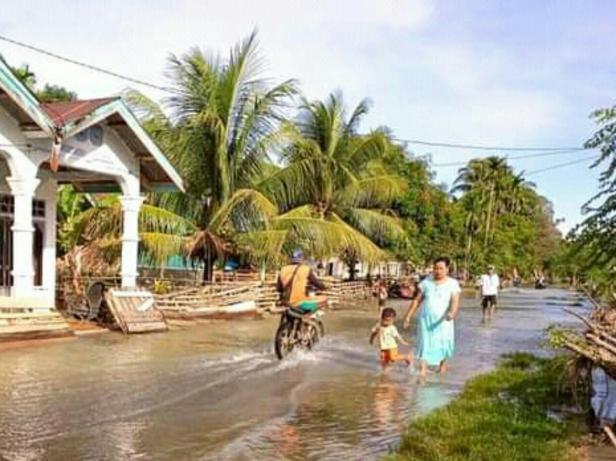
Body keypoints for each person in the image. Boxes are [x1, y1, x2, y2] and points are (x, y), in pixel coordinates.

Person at [403, 257, 461, 376]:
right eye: (435, 268)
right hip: (426, 320)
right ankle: (423, 370)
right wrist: (408, 316)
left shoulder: (453, 284)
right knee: (425, 343)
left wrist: (452, 313)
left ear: (447, 269)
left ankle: (442, 367)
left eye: (441, 268)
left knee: (444, 343)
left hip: (444, 320)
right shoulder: (426, 283)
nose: (437, 271)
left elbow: (455, 302)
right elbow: (416, 301)